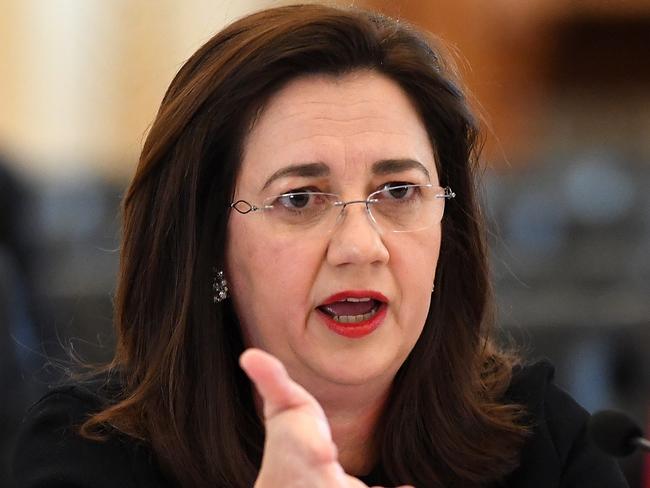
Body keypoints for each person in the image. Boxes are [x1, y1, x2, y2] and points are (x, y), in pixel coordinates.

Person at [11, 4, 628, 488]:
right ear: (205, 245)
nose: (362, 247)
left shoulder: (546, 443)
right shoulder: (87, 455)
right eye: (301, 199)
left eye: (397, 191)